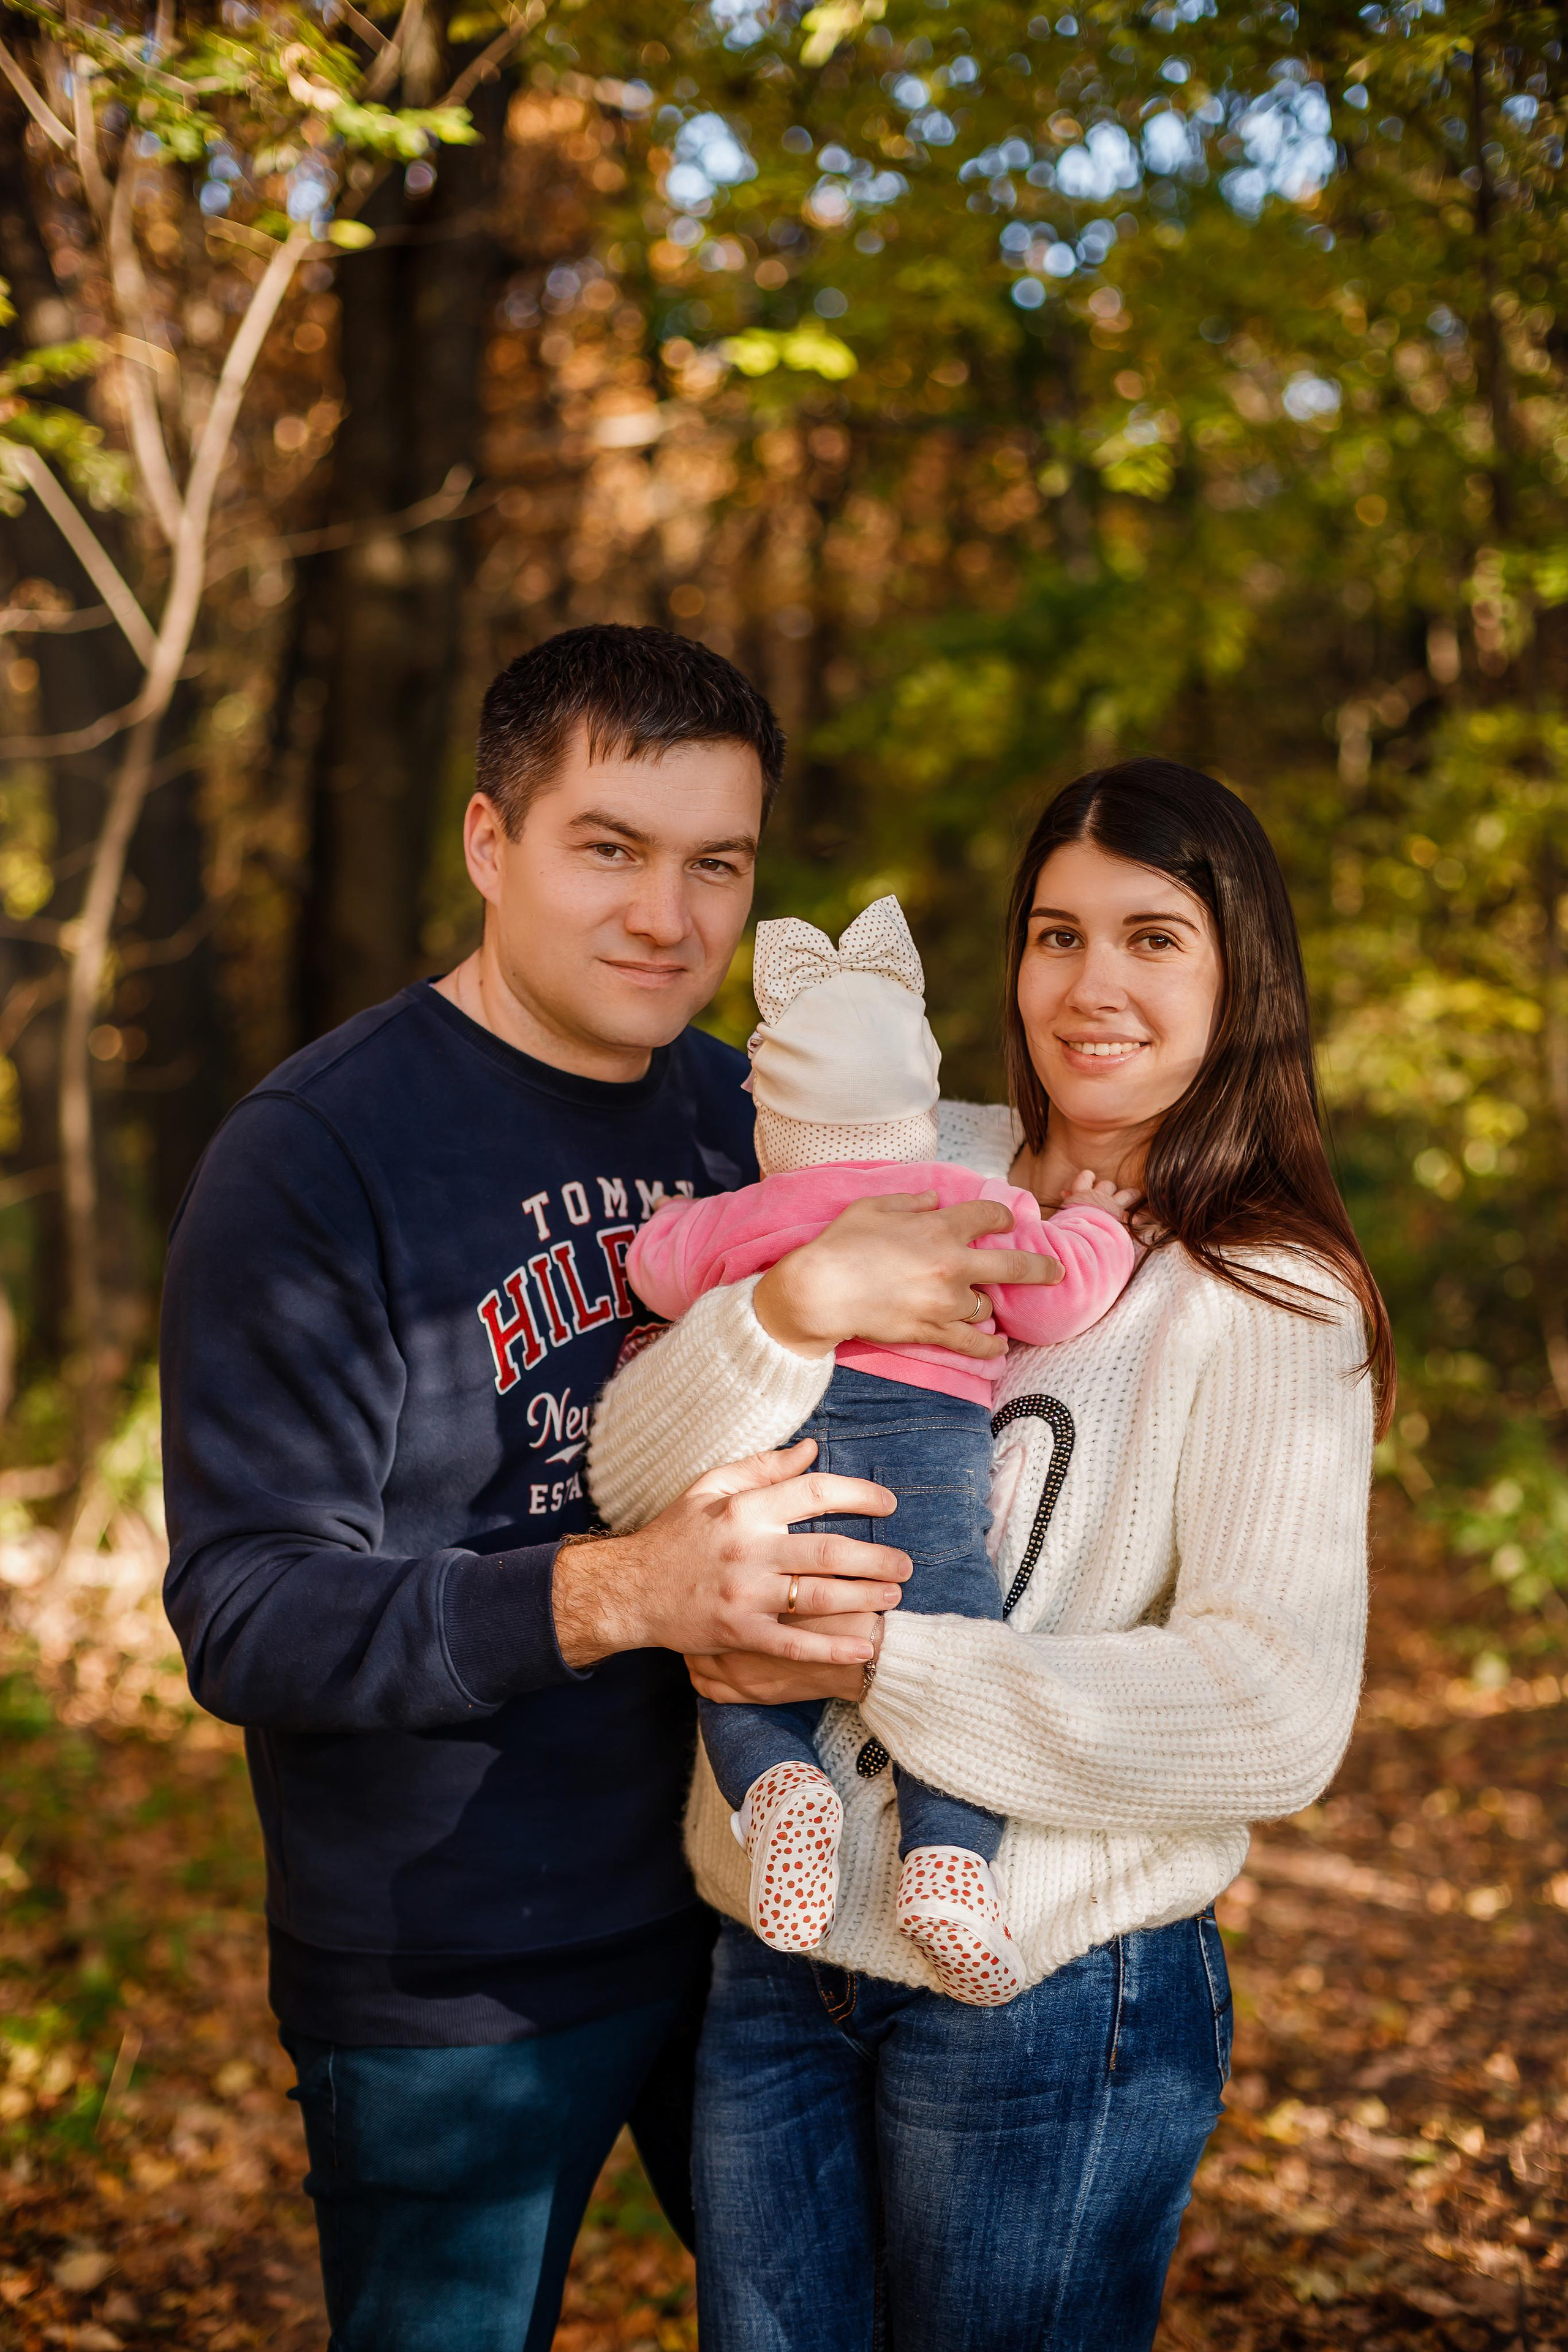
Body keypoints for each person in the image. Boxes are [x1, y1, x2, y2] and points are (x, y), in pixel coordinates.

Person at [159, 624, 1059, 2352]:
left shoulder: (759, 1124)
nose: (668, 915)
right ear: (492, 844)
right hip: (456, 1967)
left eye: (715, 863)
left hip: (762, 1913)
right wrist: (630, 1591)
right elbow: (246, 1614)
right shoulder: (317, 1154)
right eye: (610, 848)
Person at [588, 758, 1393, 2352]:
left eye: (1153, 937)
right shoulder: (897, 1160)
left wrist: (873, 1656)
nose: (1092, 985)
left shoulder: (1270, 1299)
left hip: (1048, 1989)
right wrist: (792, 1307)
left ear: (1243, 975)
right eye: (1055, 934)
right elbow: (630, 1475)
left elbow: (1276, 1708)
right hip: (776, 1952)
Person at [628, 895, 1136, 2000]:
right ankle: (950, 1869)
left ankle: (779, 1797)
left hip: (792, 1487)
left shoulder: (755, 1214)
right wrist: (1095, 1221)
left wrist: (688, 1229)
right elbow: (1059, 1298)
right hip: (932, 1498)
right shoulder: (972, 1204)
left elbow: (659, 1270)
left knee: (743, 1674)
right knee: (965, 1663)